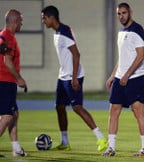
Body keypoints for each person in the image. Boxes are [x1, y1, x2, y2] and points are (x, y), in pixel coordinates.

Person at [41, 5, 107, 151]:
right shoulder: (57, 32)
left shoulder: (64, 31)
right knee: (59, 107)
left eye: (44, 18)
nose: (43, 21)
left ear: (52, 18)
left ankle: (101, 138)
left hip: (73, 76)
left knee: (77, 108)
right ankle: (65, 142)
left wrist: (75, 77)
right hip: (63, 76)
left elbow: (76, 54)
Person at [102, 2, 144, 157]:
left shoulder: (137, 29)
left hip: (135, 78)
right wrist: (112, 76)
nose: (121, 16)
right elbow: (122, 58)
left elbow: (141, 55)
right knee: (113, 111)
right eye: (119, 13)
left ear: (130, 12)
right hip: (120, 78)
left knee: (138, 112)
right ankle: (111, 148)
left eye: (123, 13)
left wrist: (127, 75)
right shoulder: (121, 32)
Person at [0, 9, 28, 157]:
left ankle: (16, 148)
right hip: (5, 81)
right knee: (7, 116)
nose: (21, 24)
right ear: (15, 22)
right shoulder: (8, 38)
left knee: (14, 114)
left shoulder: (2, 35)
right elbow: (8, 61)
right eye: (20, 21)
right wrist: (19, 78)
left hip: (4, 81)